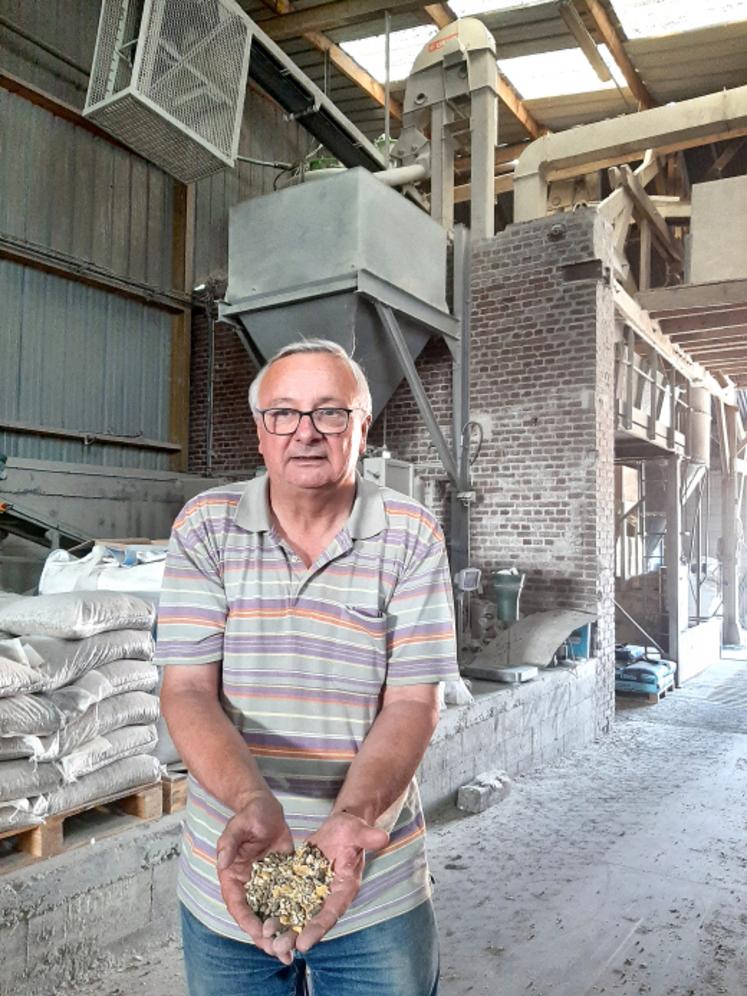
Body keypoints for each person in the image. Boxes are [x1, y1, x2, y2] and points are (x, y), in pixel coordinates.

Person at [156, 338, 458, 996]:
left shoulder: (410, 534)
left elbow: (412, 703)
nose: (306, 432)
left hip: (372, 876)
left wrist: (350, 820)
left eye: (330, 412)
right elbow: (185, 691)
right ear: (259, 431)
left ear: (362, 427)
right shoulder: (206, 527)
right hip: (235, 859)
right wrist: (250, 803)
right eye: (283, 413)